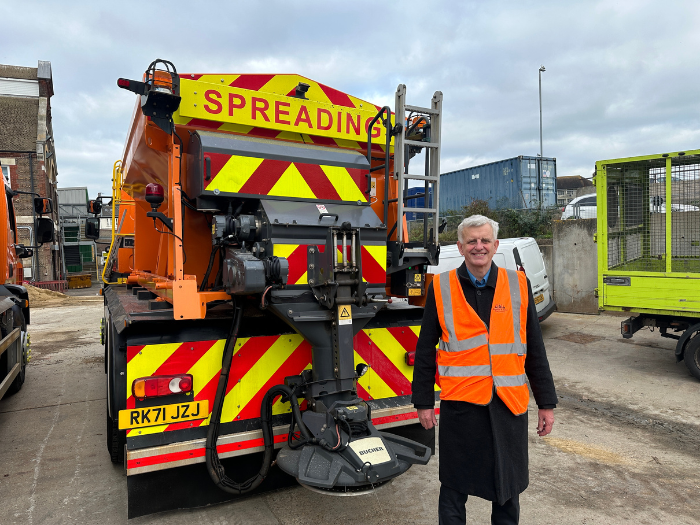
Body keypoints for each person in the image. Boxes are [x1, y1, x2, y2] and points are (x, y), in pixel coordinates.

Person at [411, 215, 558, 525]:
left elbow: (534, 349)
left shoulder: (518, 284)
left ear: (496, 245)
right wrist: (423, 402)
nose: (479, 246)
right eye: (472, 241)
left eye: (485, 240)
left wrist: (546, 403)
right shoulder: (441, 287)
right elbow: (425, 350)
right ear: (461, 247)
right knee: (453, 487)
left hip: (508, 405)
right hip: (462, 408)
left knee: (508, 488)